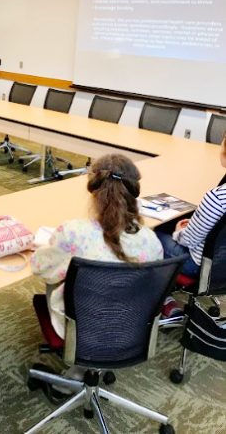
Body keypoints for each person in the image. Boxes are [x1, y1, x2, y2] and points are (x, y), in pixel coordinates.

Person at [31, 153, 164, 341]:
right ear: (134, 193)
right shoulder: (151, 240)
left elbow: (41, 269)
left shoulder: (73, 232)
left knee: (56, 274)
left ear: (93, 190)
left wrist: (45, 247)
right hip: (130, 327)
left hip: (80, 329)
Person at [156, 133, 226, 278]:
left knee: (151, 234)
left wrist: (178, 231)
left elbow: (187, 241)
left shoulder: (216, 198)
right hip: (221, 262)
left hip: (199, 266)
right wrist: (197, 223)